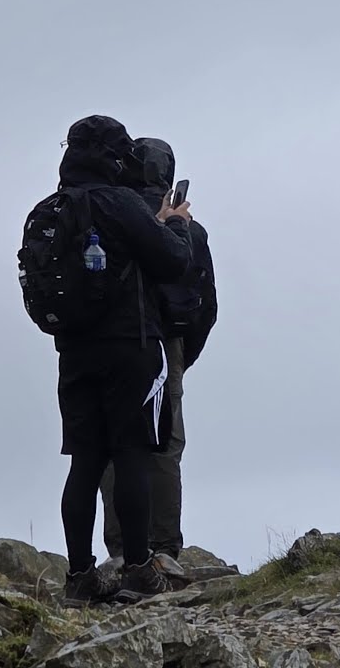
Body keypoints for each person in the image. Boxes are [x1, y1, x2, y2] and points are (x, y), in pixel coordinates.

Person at [52, 116, 193, 604]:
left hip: (73, 350)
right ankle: (138, 569)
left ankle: (79, 576)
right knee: (132, 454)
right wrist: (176, 225)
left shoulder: (53, 207)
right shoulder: (121, 203)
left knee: (85, 462)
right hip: (131, 346)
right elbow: (173, 260)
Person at [99, 137, 217, 570]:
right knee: (166, 446)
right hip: (169, 345)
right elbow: (206, 304)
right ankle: (165, 548)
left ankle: (120, 550)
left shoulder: (112, 220)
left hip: (115, 343)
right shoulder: (189, 230)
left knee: (114, 444)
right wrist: (182, 353)